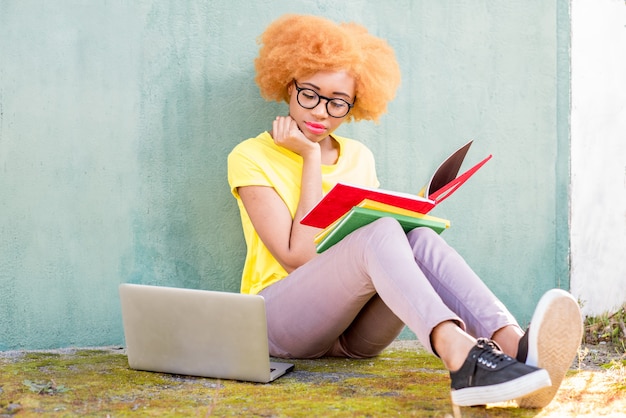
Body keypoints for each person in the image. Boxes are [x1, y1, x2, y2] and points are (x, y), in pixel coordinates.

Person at [227, 13, 582, 408]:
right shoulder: (251, 156)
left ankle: (515, 349)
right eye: (310, 94)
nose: (321, 112)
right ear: (287, 84)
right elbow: (296, 258)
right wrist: (310, 157)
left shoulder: (359, 157)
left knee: (419, 236)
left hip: (352, 336)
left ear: (354, 106)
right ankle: (460, 355)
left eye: (338, 103)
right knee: (378, 234)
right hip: (278, 324)